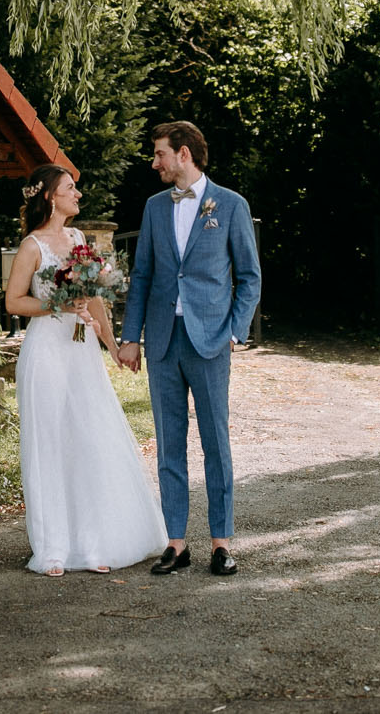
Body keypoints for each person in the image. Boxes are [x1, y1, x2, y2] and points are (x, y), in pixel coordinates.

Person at [4, 163, 168, 576]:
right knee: (52, 445)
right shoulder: (32, 246)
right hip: (46, 352)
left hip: (80, 353)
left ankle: (95, 543)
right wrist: (54, 305)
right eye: (70, 188)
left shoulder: (78, 239)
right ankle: (53, 548)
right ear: (49, 196)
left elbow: (94, 301)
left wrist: (112, 347)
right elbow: (13, 302)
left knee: (88, 440)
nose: (78, 194)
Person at [115, 121, 261, 578]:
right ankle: (176, 544)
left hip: (210, 340)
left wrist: (234, 332)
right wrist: (129, 337)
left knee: (216, 442)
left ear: (182, 154)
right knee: (168, 445)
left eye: (159, 154)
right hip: (162, 340)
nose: (154, 162)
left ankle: (221, 543)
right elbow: (142, 276)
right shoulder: (155, 207)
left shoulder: (231, 204)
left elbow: (250, 277)